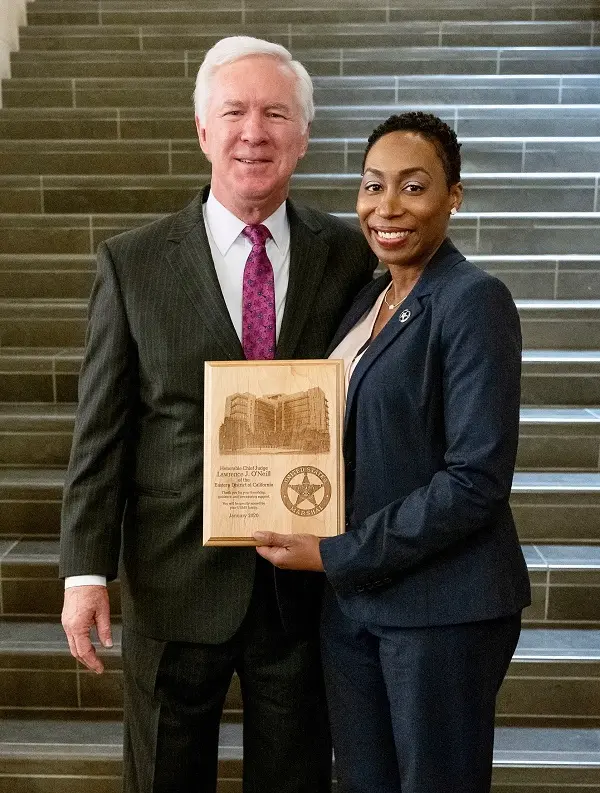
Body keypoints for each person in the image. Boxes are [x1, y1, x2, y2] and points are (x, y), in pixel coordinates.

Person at [59, 36, 376, 793]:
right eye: (233, 111)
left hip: (300, 583)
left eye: (275, 113)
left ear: (302, 136)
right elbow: (100, 434)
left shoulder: (349, 255)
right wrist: (84, 570)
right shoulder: (132, 263)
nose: (253, 131)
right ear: (203, 130)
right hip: (175, 579)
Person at [254, 112, 532, 793]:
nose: (387, 207)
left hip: (442, 610)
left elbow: (475, 480)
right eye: (373, 186)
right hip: (355, 609)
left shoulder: (473, 300)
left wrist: (336, 550)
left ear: (453, 197)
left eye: (413, 187)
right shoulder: (370, 298)